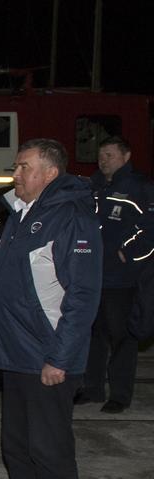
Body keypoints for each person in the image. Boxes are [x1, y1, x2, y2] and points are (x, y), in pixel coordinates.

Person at [0, 139, 101, 479]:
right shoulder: (18, 215)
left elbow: (82, 296)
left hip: (48, 358)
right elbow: (5, 287)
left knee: (50, 454)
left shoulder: (71, 217)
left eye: (24, 167)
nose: (16, 175)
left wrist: (61, 358)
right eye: (17, 167)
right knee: (17, 446)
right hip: (16, 354)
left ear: (50, 172)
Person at [81, 136, 154, 413]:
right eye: (101, 155)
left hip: (121, 279)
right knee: (93, 334)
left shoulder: (139, 187)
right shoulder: (95, 186)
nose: (103, 160)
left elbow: (151, 229)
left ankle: (120, 395)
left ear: (126, 156)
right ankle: (92, 388)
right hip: (93, 276)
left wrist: (128, 253)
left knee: (122, 337)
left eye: (109, 155)